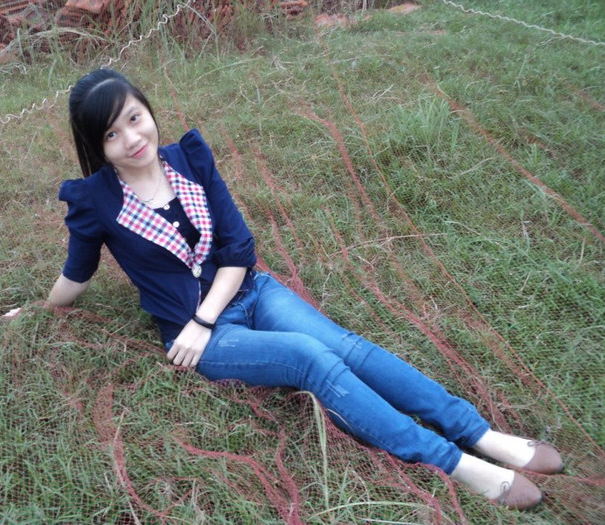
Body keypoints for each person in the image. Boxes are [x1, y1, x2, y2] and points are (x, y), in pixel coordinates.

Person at [48, 68, 563, 511]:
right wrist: (40, 308)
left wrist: (207, 314)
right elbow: (78, 272)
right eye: (112, 134)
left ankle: (478, 433)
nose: (132, 138)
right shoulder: (95, 201)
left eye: (134, 118)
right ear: (97, 146)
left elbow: (238, 249)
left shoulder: (189, 159)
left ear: (148, 110)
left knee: (345, 347)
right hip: (201, 338)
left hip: (243, 294)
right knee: (308, 357)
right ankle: (454, 463)